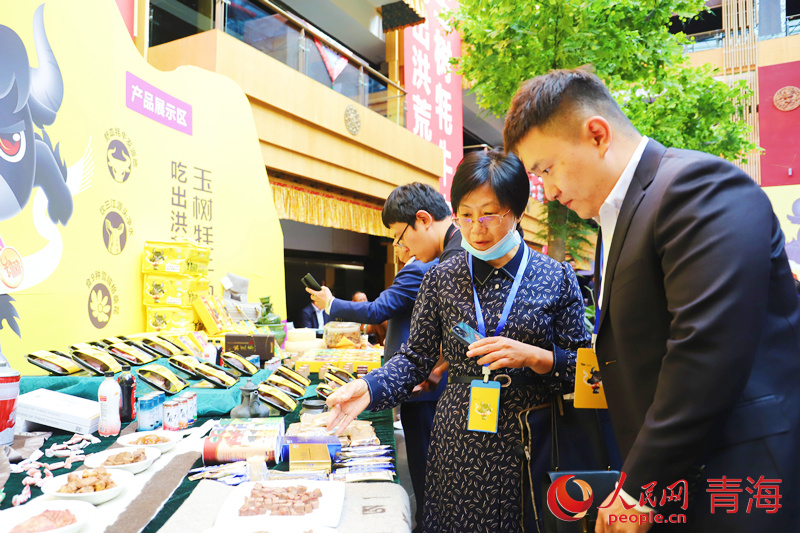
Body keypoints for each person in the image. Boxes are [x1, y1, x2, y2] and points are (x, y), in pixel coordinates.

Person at [503, 67, 800, 532]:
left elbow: (705, 351)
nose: (550, 192)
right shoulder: (615, 220)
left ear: (597, 135)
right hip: (682, 479)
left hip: (740, 475)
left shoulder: (696, 187)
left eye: (547, 169)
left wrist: (640, 487)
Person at [325, 151, 589, 532]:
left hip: (531, 440)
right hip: (458, 443)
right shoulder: (441, 278)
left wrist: (535, 357)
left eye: (489, 214)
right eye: (466, 215)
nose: (476, 228)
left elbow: (585, 370)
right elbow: (415, 359)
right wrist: (369, 387)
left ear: (516, 211)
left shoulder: (555, 278)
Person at [306, 182, 457, 532]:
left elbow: (378, 311)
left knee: (427, 465)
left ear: (424, 220)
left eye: (399, 237)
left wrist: (331, 303)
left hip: (426, 386)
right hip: (422, 377)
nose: (401, 247)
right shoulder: (440, 262)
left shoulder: (431, 267)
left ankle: (428, 521)